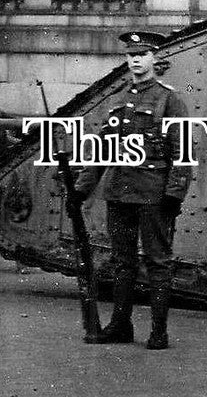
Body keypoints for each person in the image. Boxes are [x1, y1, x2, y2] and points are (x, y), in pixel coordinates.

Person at [73, 30, 191, 349]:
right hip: (120, 191)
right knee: (122, 262)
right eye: (131, 55)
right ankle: (121, 326)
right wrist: (82, 190)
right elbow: (102, 148)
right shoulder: (118, 101)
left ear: (155, 58)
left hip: (154, 194)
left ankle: (158, 331)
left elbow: (182, 152)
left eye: (142, 54)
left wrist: (174, 194)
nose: (136, 60)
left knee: (157, 262)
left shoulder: (169, 99)